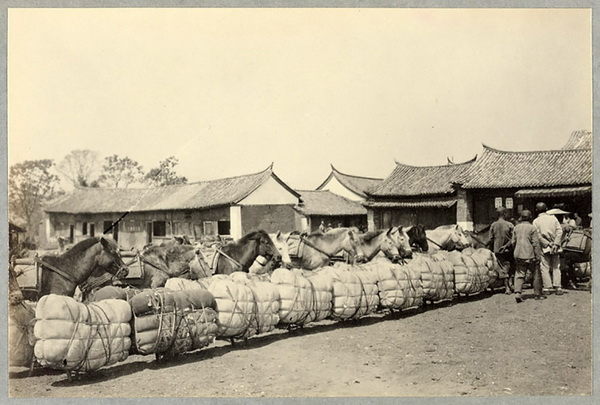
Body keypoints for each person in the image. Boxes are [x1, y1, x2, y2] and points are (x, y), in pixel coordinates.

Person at [512, 210, 544, 302]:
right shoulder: (532, 228)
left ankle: (518, 293)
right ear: (530, 217)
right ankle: (537, 294)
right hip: (529, 254)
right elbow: (535, 244)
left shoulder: (516, 227)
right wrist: (538, 256)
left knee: (519, 274)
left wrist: (516, 251)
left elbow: (513, 242)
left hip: (518, 254)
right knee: (536, 273)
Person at [533, 202, 564, 295]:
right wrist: (555, 244)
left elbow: (537, 236)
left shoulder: (536, 221)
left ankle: (547, 287)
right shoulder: (553, 218)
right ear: (546, 208)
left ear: (536, 210)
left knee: (545, 267)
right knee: (556, 266)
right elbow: (559, 231)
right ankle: (558, 287)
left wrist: (548, 244)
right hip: (556, 247)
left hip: (544, 247)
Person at [488, 207, 515, 294]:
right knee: (509, 267)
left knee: (502, 267)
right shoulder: (510, 225)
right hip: (509, 250)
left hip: (498, 251)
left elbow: (490, 239)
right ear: (504, 214)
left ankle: (507, 286)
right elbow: (514, 238)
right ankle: (509, 285)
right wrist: (506, 245)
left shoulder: (493, 225)